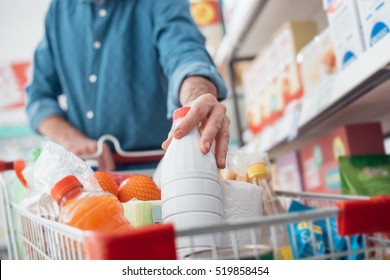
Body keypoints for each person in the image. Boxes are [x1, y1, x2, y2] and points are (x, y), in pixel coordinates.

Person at [26, 0, 229, 171]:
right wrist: (71, 139)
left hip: (160, 173)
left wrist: (196, 99)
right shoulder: (59, 10)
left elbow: (185, 54)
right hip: (88, 182)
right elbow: (38, 97)